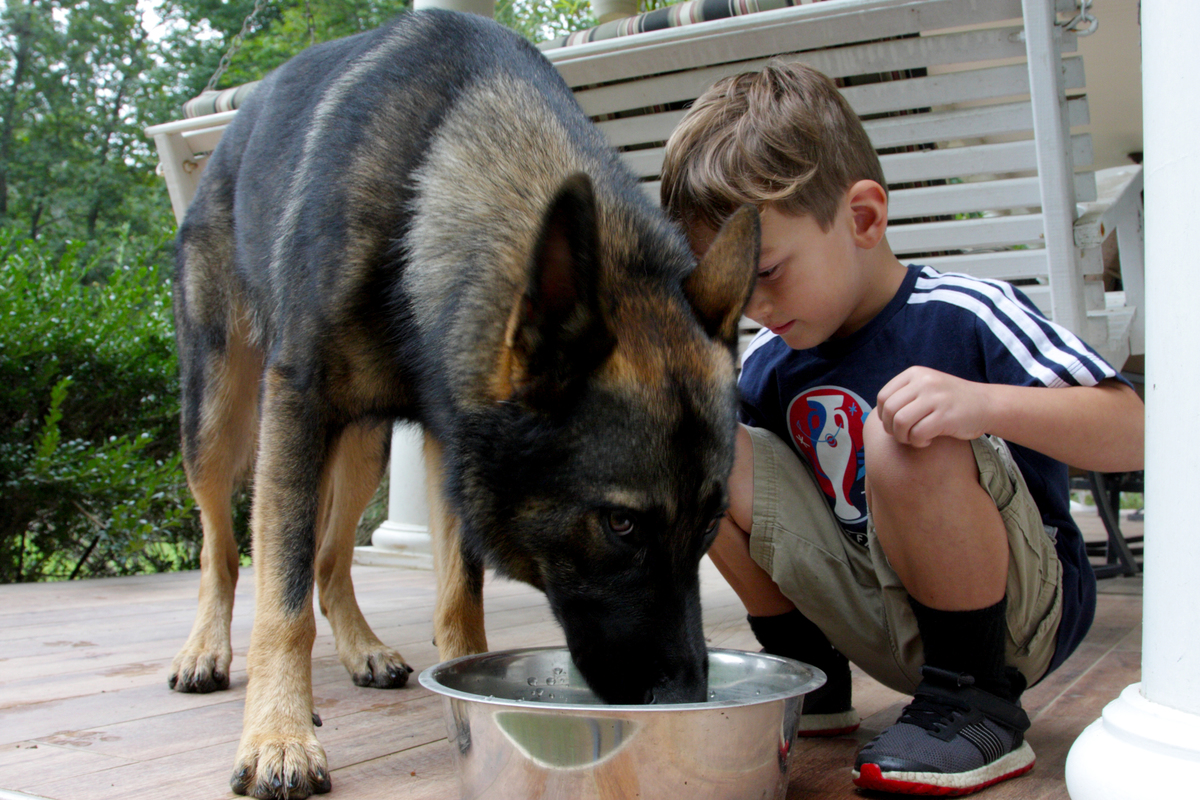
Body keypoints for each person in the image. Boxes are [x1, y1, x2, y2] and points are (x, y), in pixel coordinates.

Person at [660, 62, 1145, 796]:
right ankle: (810, 683)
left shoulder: (964, 311)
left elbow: (1139, 432)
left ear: (862, 219)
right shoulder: (771, 365)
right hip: (870, 612)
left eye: (765, 270)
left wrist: (982, 404)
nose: (747, 304)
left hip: (1013, 624)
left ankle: (976, 706)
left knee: (904, 430)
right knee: (699, 445)